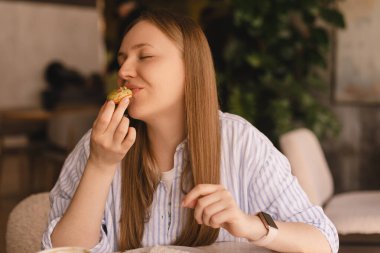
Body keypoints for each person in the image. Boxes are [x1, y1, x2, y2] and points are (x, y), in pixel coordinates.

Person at [41, 10, 339, 253]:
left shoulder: (240, 142)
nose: (124, 71)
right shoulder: (98, 145)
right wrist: (99, 165)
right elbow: (64, 250)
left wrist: (249, 225)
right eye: (121, 59)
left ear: (190, 69)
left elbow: (323, 241)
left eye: (144, 56)